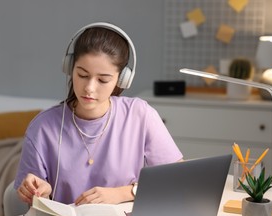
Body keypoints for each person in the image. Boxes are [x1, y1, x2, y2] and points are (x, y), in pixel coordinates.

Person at [14, 22, 183, 205]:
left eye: (103, 80)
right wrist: (39, 194)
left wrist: (124, 193)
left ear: (122, 79)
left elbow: (177, 178)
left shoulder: (140, 115)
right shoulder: (42, 127)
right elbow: (35, 201)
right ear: (70, 68)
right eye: (82, 75)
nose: (89, 88)